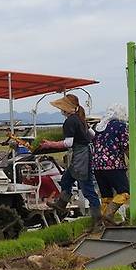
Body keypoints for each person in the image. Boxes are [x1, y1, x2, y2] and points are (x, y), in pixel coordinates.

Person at [41, 94, 102, 231]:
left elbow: (68, 143)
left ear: (66, 108)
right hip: (83, 154)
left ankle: (98, 222)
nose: (60, 110)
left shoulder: (70, 121)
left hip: (81, 157)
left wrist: (50, 144)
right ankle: (61, 204)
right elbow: (92, 135)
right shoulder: (81, 119)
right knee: (66, 180)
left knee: (88, 190)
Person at [92, 104, 129, 225]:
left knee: (106, 196)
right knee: (124, 192)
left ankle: (103, 223)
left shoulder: (99, 127)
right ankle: (109, 214)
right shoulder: (121, 126)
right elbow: (126, 146)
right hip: (113, 165)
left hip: (97, 166)